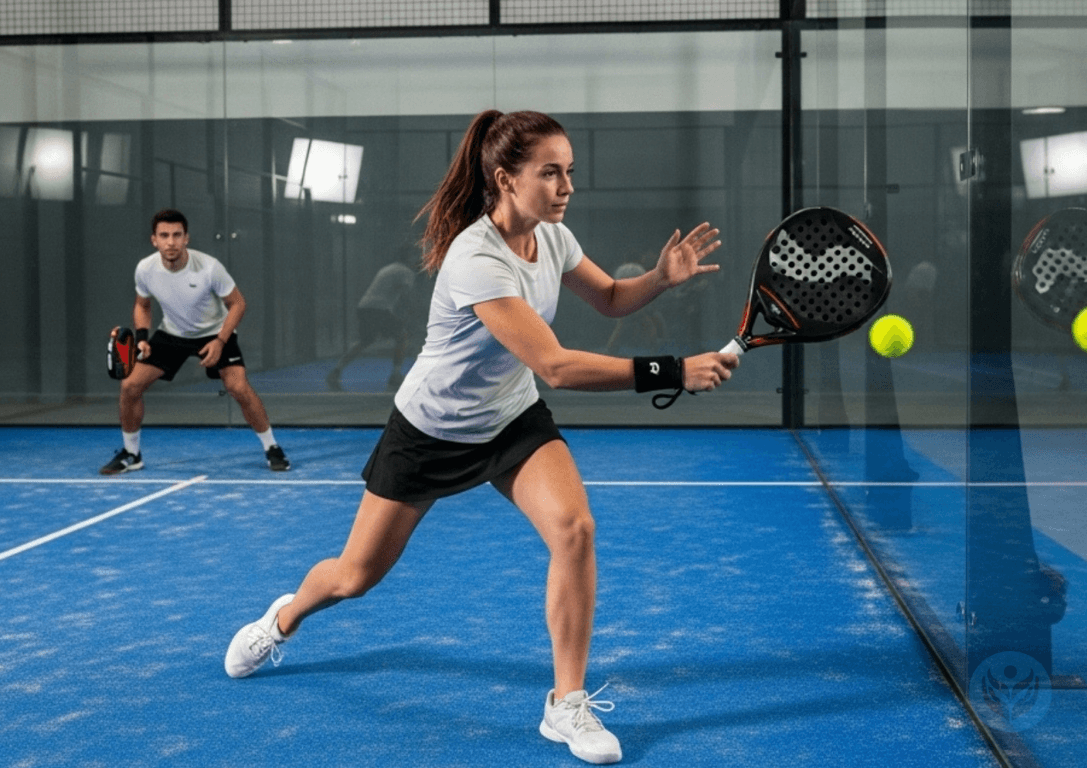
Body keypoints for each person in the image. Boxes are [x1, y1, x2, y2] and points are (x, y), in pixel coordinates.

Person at [223, 110, 737, 765]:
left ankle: (566, 703)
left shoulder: (553, 238)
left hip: (511, 419)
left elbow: (609, 297)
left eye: (569, 172)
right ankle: (283, 619)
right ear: (505, 178)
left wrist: (660, 279)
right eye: (549, 173)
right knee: (355, 577)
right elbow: (555, 364)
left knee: (574, 529)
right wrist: (672, 370)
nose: (565, 186)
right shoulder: (474, 258)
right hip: (430, 431)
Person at [100, 209, 290, 474]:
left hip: (214, 332)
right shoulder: (145, 268)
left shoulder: (209, 267)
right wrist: (142, 339)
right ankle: (132, 454)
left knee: (238, 388)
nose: (171, 242)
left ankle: (272, 448)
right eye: (164, 235)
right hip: (172, 333)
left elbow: (238, 304)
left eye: (177, 235)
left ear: (186, 238)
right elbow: (142, 305)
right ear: (154, 239)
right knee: (130, 385)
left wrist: (221, 341)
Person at [326, 246, 419, 391]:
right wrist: (415, 314)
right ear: (407, 257)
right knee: (402, 336)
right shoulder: (406, 272)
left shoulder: (388, 268)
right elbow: (407, 296)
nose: (417, 259)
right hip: (379, 310)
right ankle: (395, 376)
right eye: (414, 255)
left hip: (364, 307)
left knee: (365, 341)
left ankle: (335, 372)